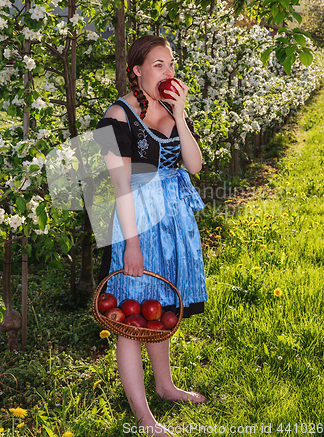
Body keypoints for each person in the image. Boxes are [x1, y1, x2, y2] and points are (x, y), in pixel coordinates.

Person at [94, 35, 207, 437]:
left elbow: (193, 165)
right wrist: (133, 245)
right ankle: (144, 418)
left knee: (160, 306)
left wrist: (180, 112)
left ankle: (165, 385)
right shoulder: (116, 116)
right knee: (131, 316)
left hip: (173, 221)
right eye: (158, 64)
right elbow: (120, 187)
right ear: (137, 70)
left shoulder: (170, 107)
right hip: (136, 223)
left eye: (171, 64)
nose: (168, 72)